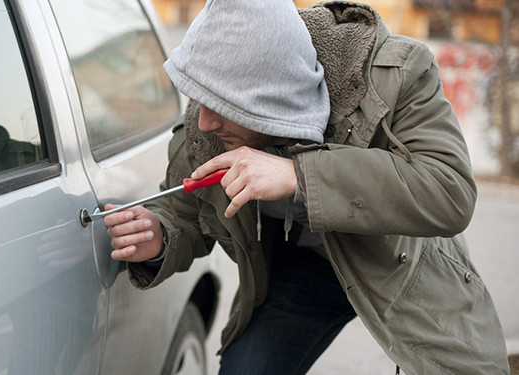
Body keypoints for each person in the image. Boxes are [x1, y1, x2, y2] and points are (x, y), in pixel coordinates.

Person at [104, 1, 510, 374]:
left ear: (269, 98)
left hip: (402, 261)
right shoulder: (205, 129)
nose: (206, 121)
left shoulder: (397, 74)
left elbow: (449, 190)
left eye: (222, 106)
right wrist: (159, 236)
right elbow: (186, 212)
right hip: (306, 271)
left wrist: (298, 175)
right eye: (200, 101)